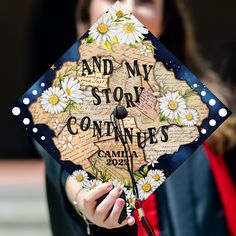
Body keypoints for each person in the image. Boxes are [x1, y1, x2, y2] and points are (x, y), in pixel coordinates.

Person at [38, 0, 236, 235]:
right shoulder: (60, 103)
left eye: (145, 1)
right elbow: (66, 171)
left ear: (166, 19)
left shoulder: (206, 103)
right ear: (87, 13)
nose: (128, 10)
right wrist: (86, 199)